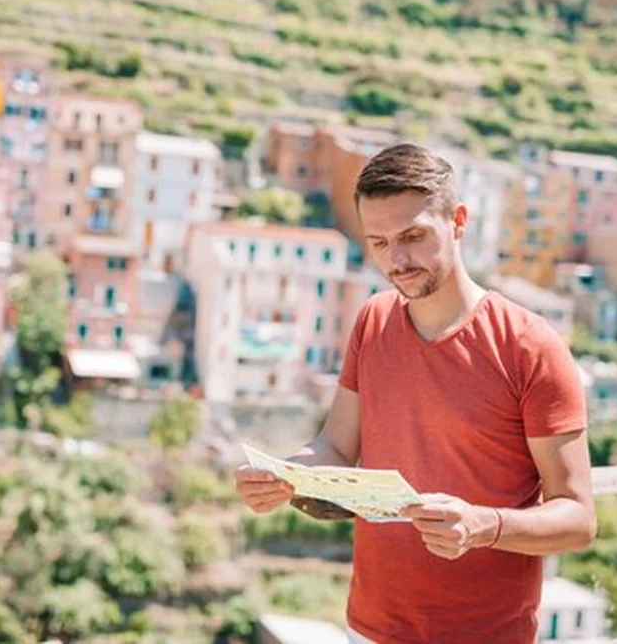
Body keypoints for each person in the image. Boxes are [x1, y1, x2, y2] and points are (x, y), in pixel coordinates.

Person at [234, 143, 597, 644]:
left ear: (458, 221)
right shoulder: (373, 319)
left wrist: (485, 525)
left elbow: (578, 519)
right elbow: (336, 445)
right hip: (369, 628)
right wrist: (283, 476)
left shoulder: (530, 346)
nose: (397, 260)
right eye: (379, 242)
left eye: (413, 236)